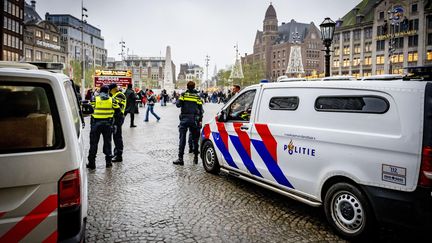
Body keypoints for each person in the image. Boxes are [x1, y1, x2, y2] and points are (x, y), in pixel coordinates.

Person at [87, 85, 120, 169]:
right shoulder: (112, 100)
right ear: (108, 91)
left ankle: (92, 163)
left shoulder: (95, 98)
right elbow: (118, 110)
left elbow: (90, 109)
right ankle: (108, 162)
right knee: (108, 142)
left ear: (100, 91)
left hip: (96, 124)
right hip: (108, 124)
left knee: (93, 143)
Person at [173, 81, 203, 165]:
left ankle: (180, 159)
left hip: (184, 119)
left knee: (182, 139)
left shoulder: (183, 95)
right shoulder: (197, 97)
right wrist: (200, 120)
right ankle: (196, 158)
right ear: (194, 87)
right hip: (194, 119)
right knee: (195, 139)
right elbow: (201, 110)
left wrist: (179, 98)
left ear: (187, 86)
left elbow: (178, 105)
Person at [109, 83, 127, 163]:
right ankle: (116, 152)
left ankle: (119, 155)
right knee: (116, 136)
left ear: (112, 89)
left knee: (117, 136)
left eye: (110, 90)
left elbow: (116, 107)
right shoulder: (115, 95)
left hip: (118, 118)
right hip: (116, 118)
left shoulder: (119, 95)